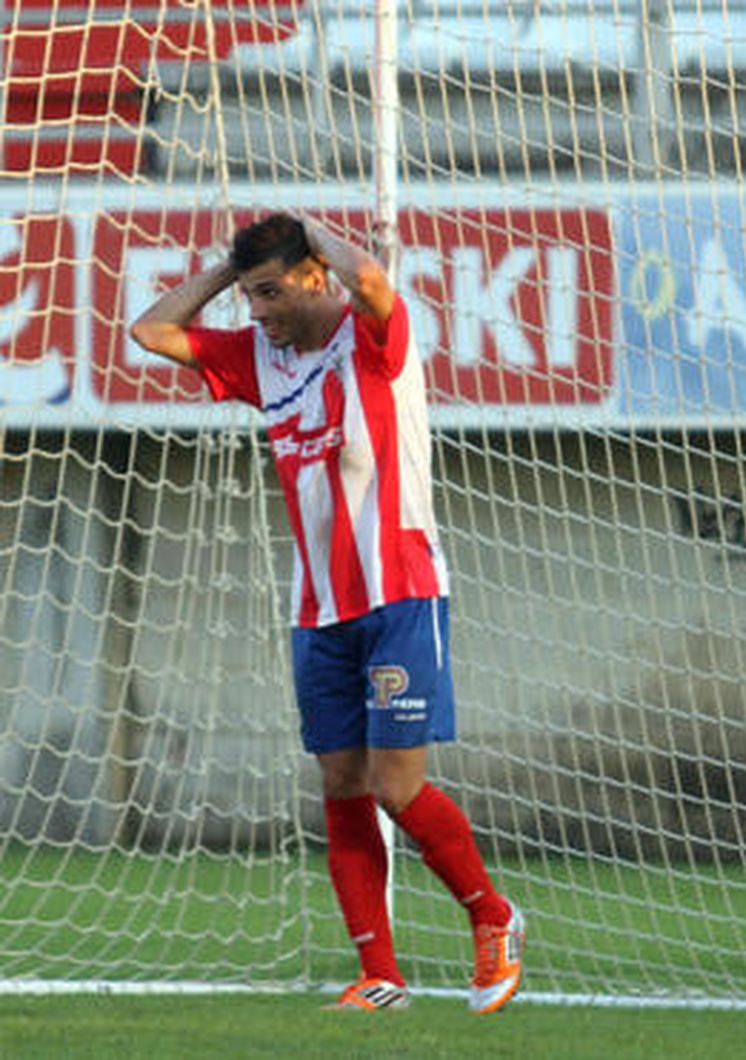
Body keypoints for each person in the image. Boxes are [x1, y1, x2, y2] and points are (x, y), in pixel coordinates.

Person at [129, 214, 524, 1015]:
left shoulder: (373, 338)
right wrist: (229, 273)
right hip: (319, 610)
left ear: (316, 276)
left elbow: (373, 282)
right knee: (341, 783)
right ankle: (380, 973)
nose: (258, 312)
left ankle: (493, 915)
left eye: (270, 292)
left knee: (394, 783)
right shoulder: (257, 357)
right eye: (249, 299)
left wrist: (313, 230)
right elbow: (151, 329)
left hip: (401, 591)